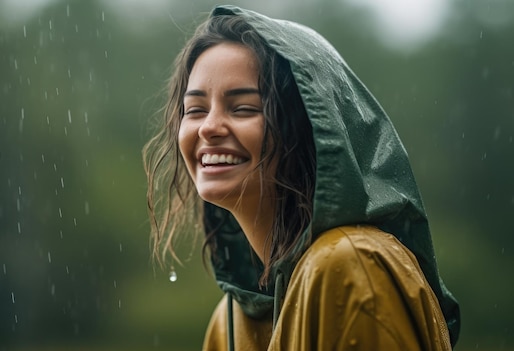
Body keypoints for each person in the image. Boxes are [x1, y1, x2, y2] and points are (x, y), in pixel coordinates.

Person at [143, 5, 460, 350]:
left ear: (310, 126)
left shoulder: (351, 265)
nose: (208, 127)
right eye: (195, 110)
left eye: (244, 108)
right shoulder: (232, 318)